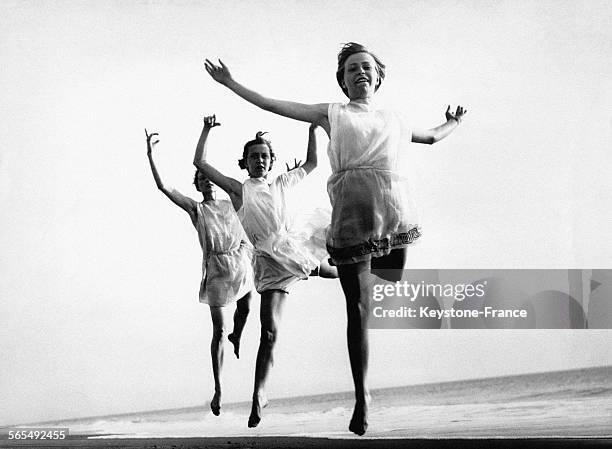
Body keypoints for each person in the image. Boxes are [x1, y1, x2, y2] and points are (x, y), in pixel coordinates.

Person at [204, 42, 467, 435]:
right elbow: (272, 105)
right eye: (351, 69)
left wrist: (454, 124)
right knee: (358, 310)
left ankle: (330, 274)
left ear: (378, 76)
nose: (360, 73)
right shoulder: (333, 113)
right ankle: (363, 397)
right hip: (350, 216)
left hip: (395, 213)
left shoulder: (394, 117)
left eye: (366, 67)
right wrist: (230, 83)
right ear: (343, 82)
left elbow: (429, 137)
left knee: (388, 285)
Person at [192, 115, 336, 428]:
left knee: (333, 268)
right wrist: (206, 130)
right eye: (254, 156)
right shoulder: (238, 189)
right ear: (245, 162)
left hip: (292, 249)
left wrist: (312, 129)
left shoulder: (282, 183)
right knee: (269, 331)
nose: (260, 160)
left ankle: (365, 260)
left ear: (271, 162)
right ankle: (259, 393)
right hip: (268, 263)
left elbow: (312, 162)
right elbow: (199, 161)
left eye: (265, 156)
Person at [145, 125, 253, 417]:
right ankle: (219, 388)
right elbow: (164, 187)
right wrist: (150, 156)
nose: (209, 183)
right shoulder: (197, 210)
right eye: (203, 180)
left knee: (247, 307)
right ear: (199, 185)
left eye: (210, 179)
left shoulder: (232, 202)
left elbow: (258, 192)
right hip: (217, 269)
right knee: (218, 329)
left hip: (240, 261)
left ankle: (238, 337)